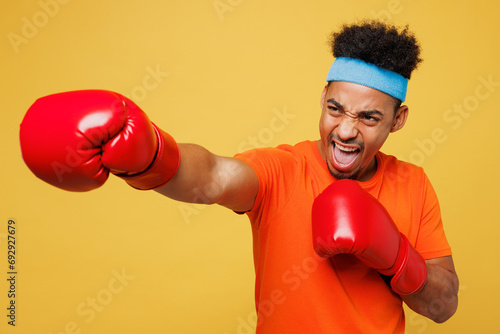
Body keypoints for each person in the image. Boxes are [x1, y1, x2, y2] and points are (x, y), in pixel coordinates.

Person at [20, 20, 458, 333]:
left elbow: (444, 306)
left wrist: (394, 253)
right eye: (335, 109)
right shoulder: (283, 169)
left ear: (397, 121)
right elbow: (212, 175)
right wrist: (148, 153)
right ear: (322, 96)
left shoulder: (413, 184)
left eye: (368, 117)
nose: (345, 130)